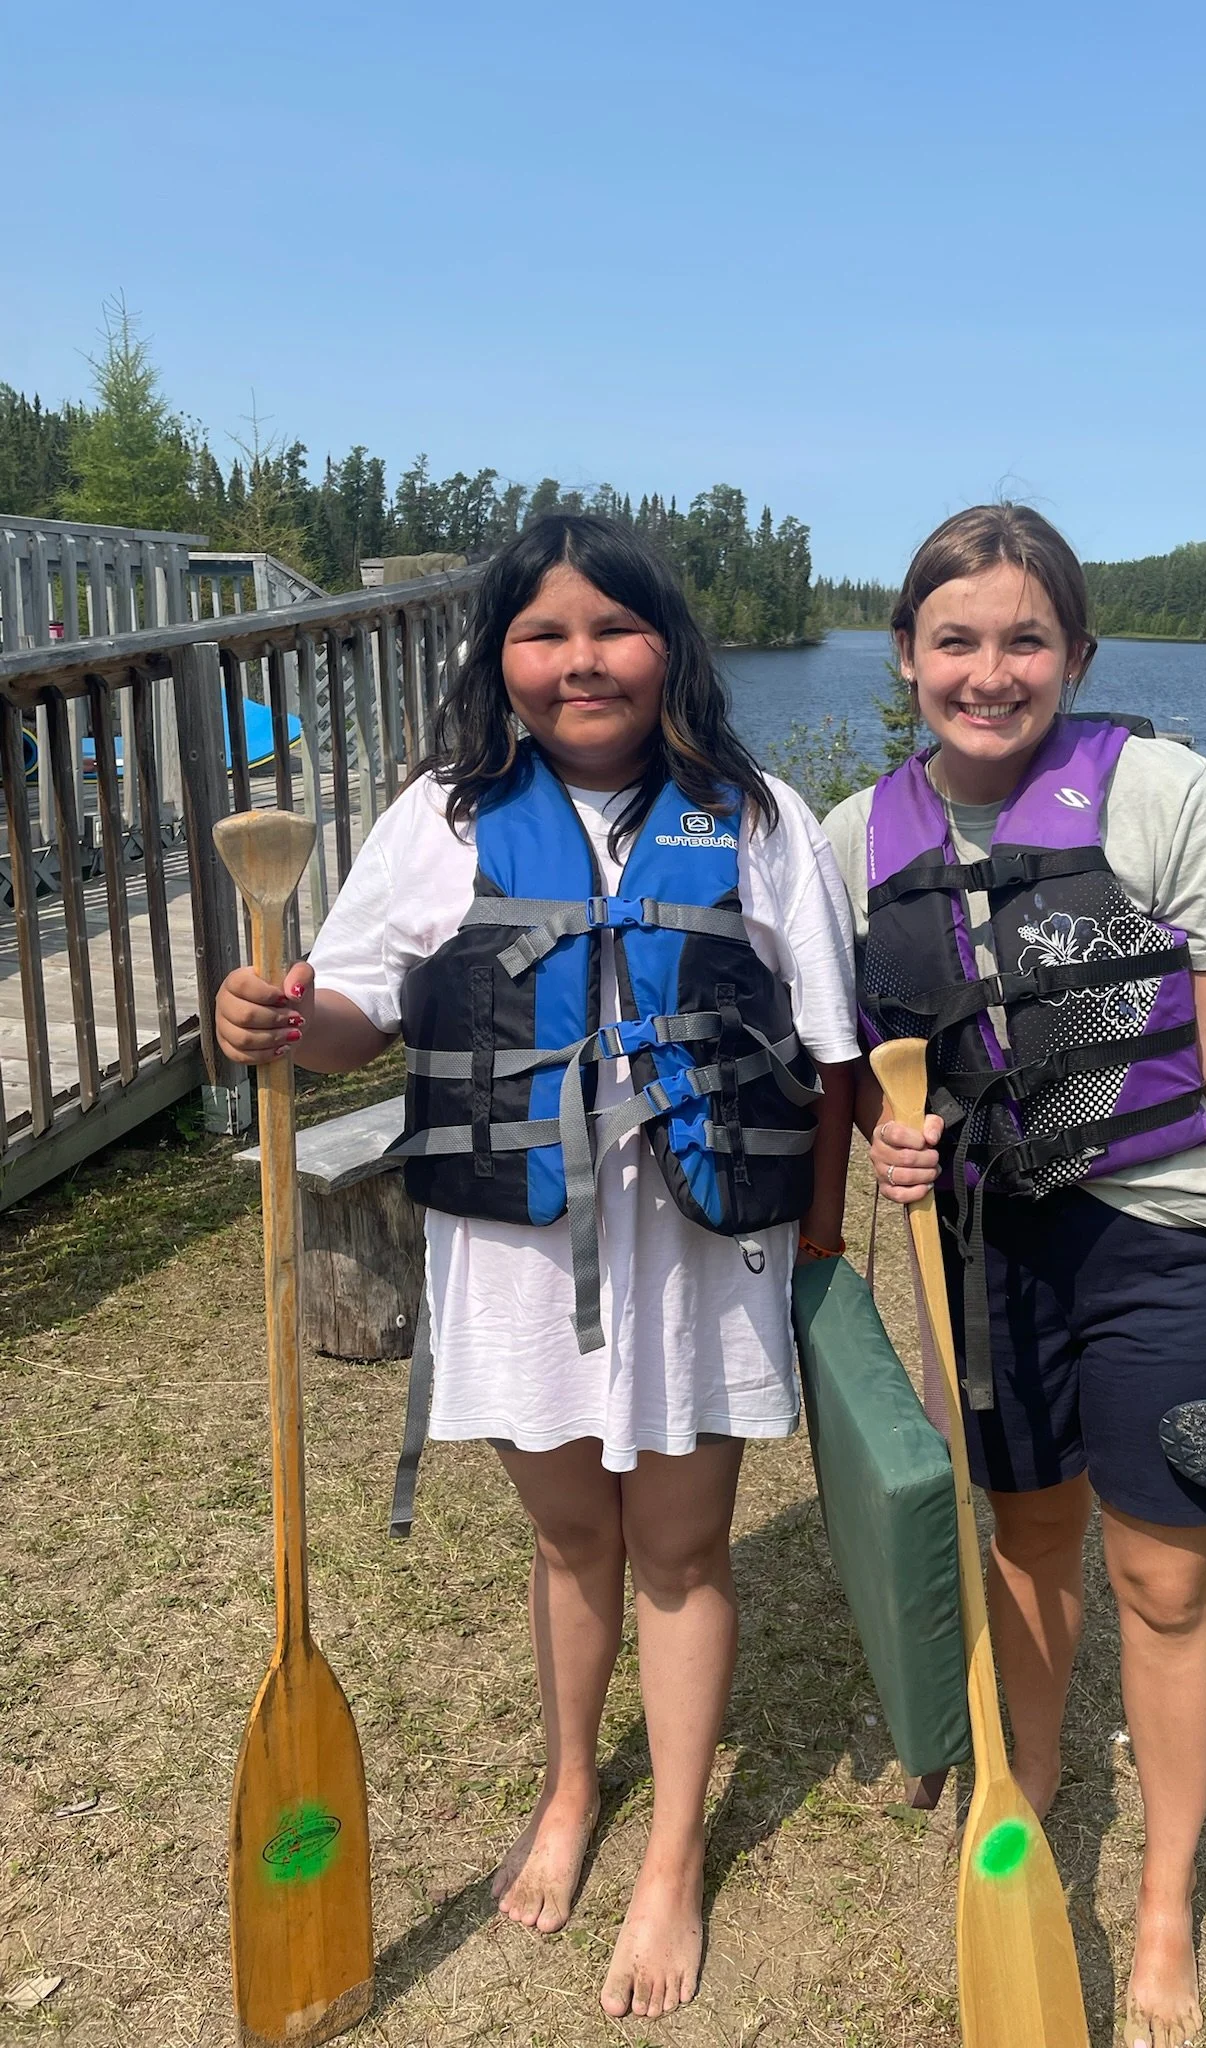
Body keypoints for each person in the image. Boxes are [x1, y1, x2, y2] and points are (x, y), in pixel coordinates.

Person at [215, 514, 859, 2023]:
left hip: (701, 1248)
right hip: (515, 1245)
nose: (582, 661)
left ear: (669, 646)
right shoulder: (440, 816)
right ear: (500, 660)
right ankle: (572, 1789)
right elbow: (355, 1012)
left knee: (683, 1551)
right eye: (544, 634)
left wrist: (828, 1245)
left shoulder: (757, 816)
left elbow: (831, 1049)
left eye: (614, 629)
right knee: (574, 1540)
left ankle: (674, 1853)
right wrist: (270, 1021)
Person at [822, 503, 1206, 2048]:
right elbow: (872, 1078)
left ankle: (1158, 1912)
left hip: (1170, 1236)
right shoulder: (852, 838)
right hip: (987, 1249)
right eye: (957, 640)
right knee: (1024, 1539)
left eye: (1026, 640)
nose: (990, 672)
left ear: (1075, 654)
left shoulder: (1160, 792)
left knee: (1165, 1569)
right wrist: (892, 1145)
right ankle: (1033, 1771)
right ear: (906, 655)